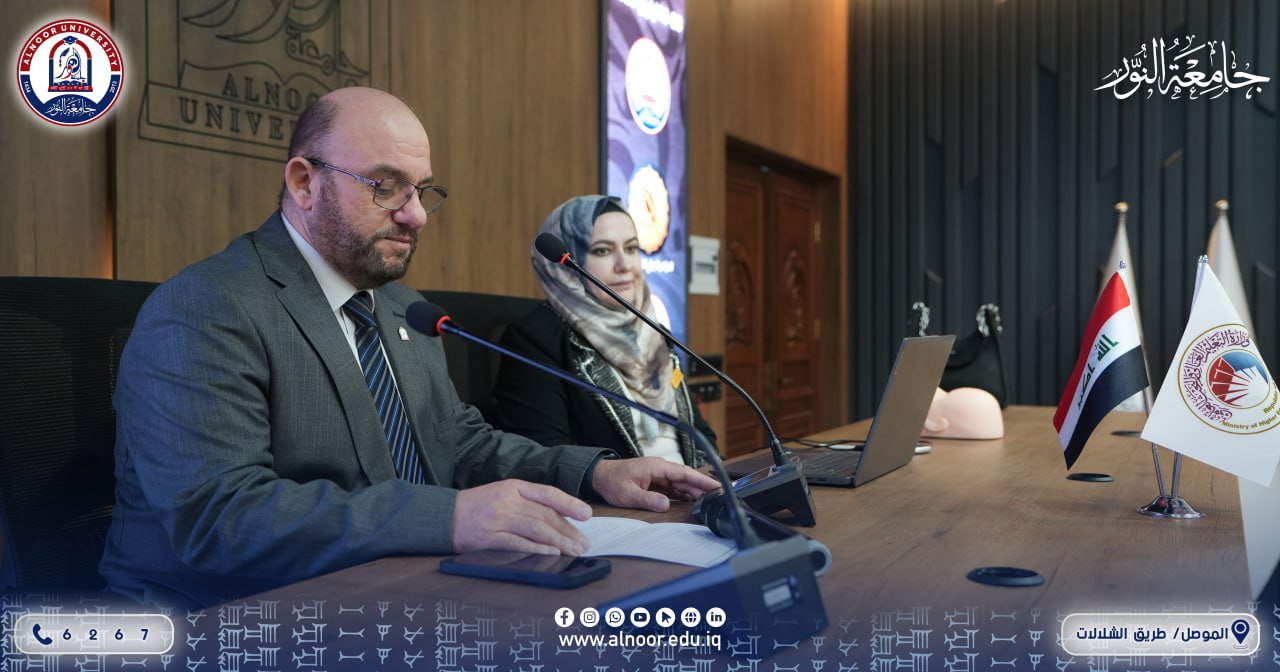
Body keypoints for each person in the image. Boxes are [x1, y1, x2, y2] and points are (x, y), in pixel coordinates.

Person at [99, 88, 718, 609]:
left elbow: (458, 443)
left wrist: (594, 472)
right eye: (387, 187)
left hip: (398, 589)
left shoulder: (399, 307)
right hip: (227, 619)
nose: (416, 215)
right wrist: (449, 519)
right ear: (304, 182)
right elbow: (219, 517)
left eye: (422, 191)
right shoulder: (209, 306)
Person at [490, 195, 715, 467]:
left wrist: (718, 478)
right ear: (564, 264)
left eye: (631, 248)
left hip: (690, 487)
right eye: (602, 251)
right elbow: (546, 457)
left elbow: (700, 433)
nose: (625, 265)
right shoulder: (535, 339)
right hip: (619, 494)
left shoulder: (655, 333)